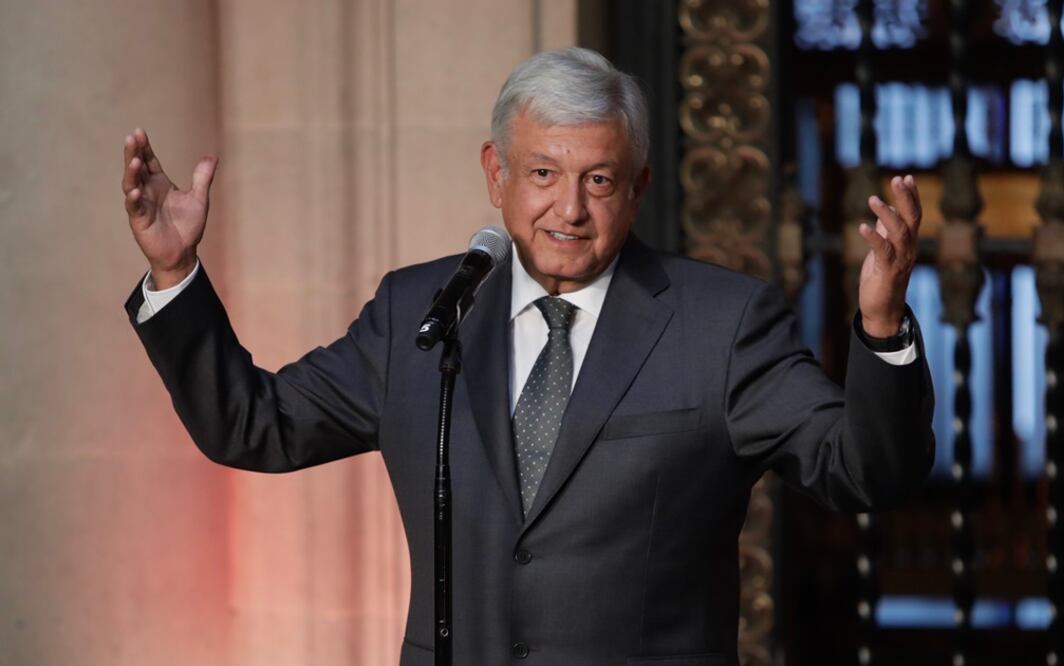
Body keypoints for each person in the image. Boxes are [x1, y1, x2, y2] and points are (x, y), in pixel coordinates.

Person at [121, 48, 933, 666]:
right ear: (496, 175)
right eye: (543, 173)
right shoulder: (423, 311)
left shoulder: (721, 324)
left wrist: (881, 323)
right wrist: (174, 273)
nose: (569, 209)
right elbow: (253, 426)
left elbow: (863, 470)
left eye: (599, 180)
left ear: (639, 187)